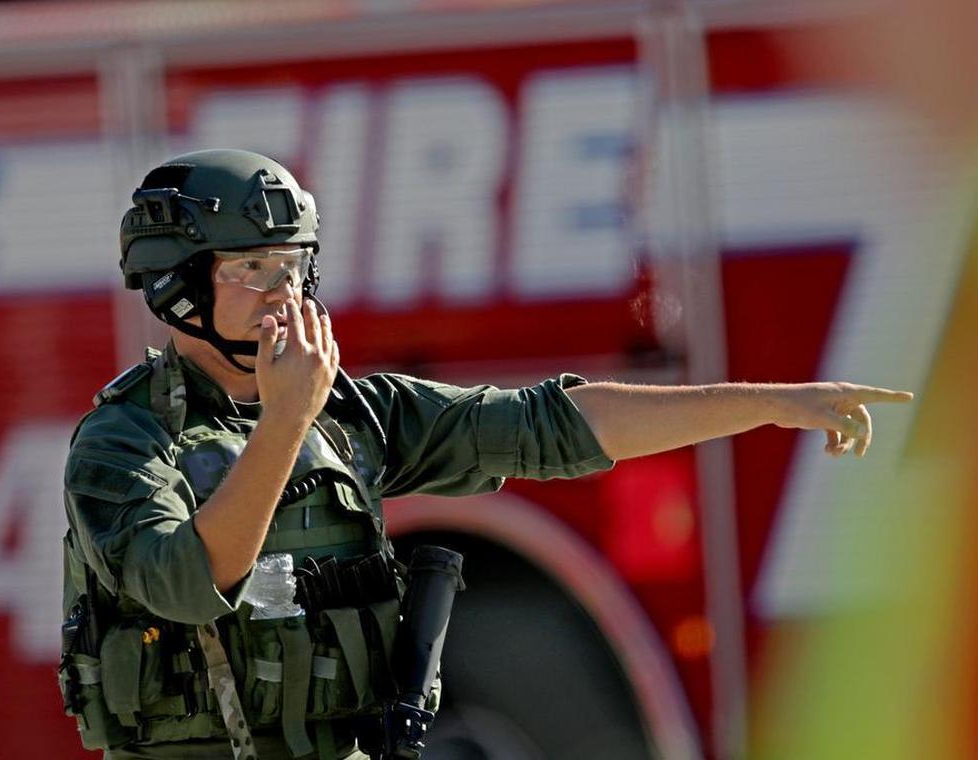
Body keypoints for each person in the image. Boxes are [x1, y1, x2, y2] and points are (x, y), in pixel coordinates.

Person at [58, 149, 912, 760]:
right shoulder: (125, 441)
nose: (284, 293)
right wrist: (284, 422)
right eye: (251, 268)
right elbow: (183, 582)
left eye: (294, 265)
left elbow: (553, 426)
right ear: (178, 283)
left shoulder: (350, 414)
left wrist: (769, 404)